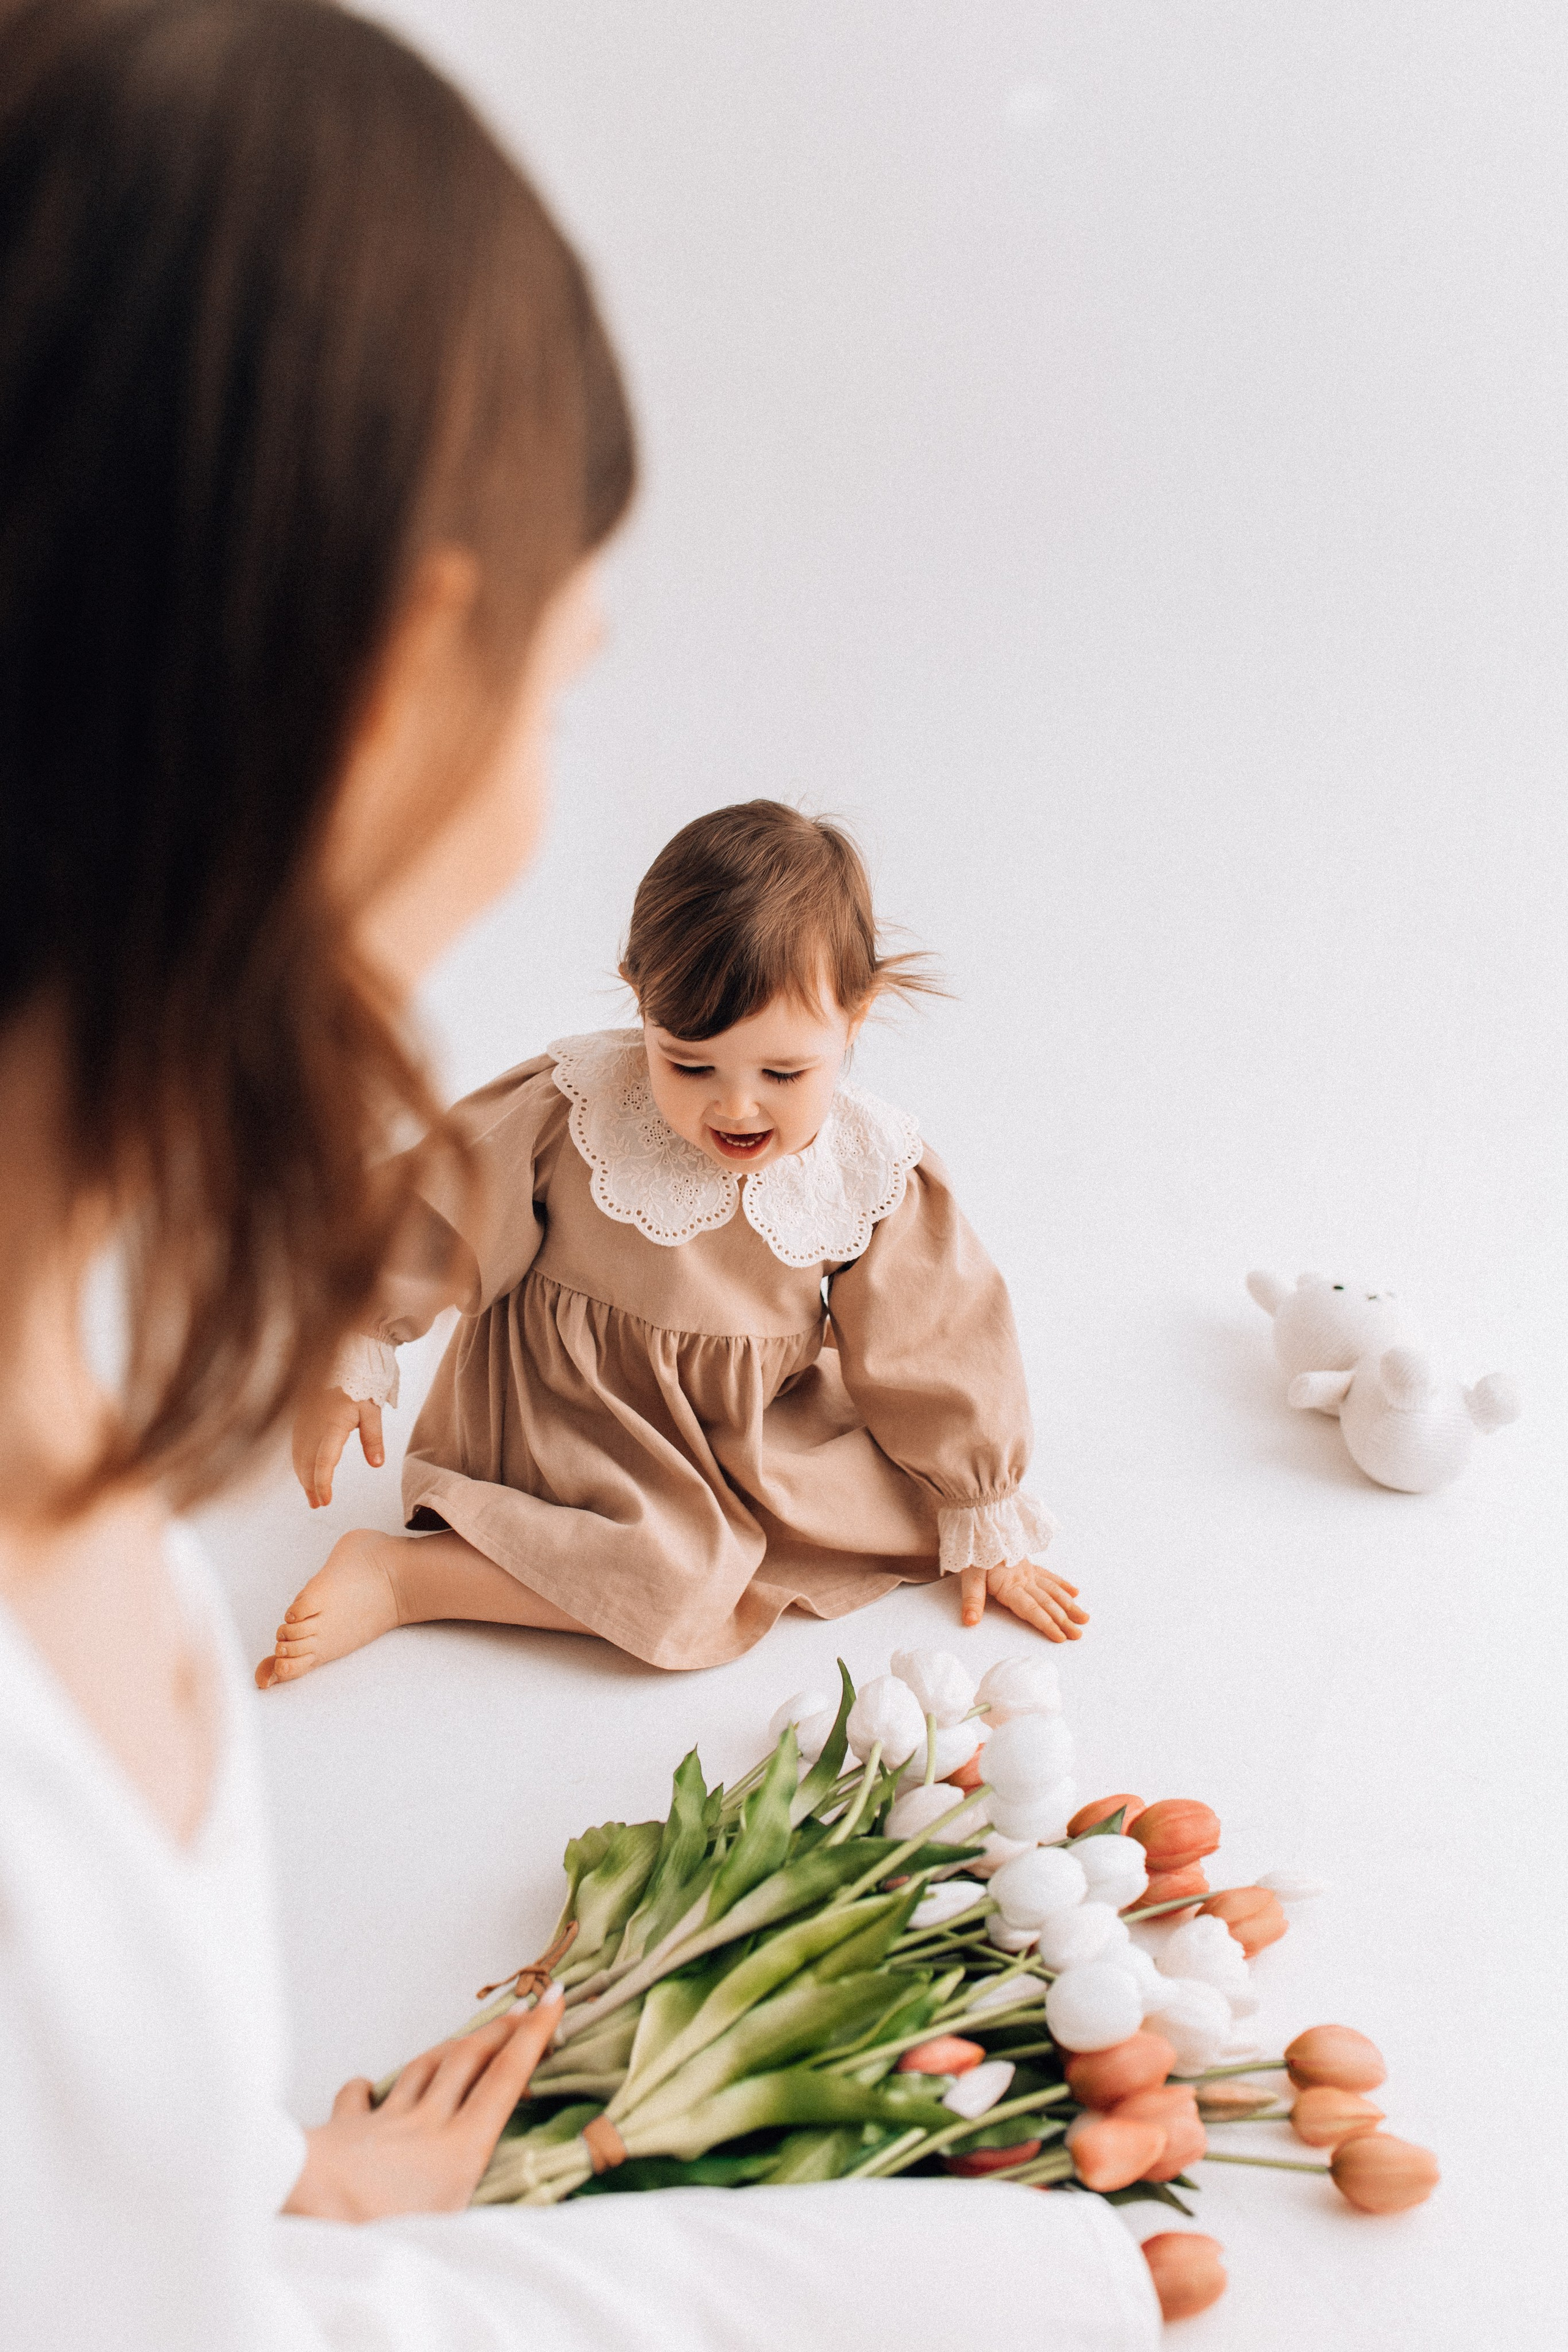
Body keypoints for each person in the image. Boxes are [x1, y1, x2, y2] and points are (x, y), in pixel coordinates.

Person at [0, 4, 1159, 2346]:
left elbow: (924, 1344)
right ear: (390, 683)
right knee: (1067, 2298)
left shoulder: (75, 1354)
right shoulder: (535, 1136)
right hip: (556, 1505)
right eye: (562, 667)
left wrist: (245, 2177)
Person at [262, 799, 1090, 1684]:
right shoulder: (576, 1111)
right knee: (683, 1583)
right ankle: (409, 1580)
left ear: (857, 1018)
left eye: (784, 1073)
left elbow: (936, 1331)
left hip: (739, 1427)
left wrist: (980, 1505)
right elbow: (441, 1216)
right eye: (688, 1064)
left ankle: (719, 1528)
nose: (736, 1107)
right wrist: (355, 1342)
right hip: (569, 1415)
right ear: (640, 1002)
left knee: (907, 1508)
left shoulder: (866, 1168)